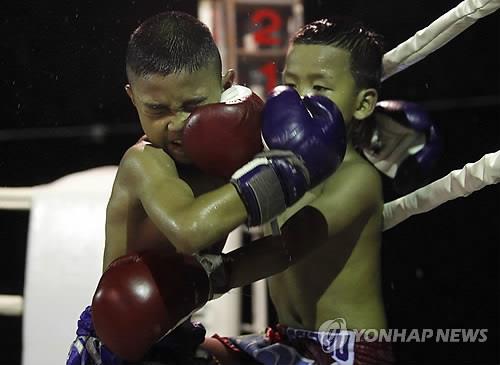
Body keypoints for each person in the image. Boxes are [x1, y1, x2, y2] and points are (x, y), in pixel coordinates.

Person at [67, 11, 346, 365]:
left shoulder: (236, 158)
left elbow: (218, 272)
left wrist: (324, 169)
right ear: (133, 98)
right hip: (115, 347)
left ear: (226, 84)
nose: (177, 123)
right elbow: (190, 231)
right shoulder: (145, 163)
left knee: (308, 235)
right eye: (157, 109)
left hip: (180, 327)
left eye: (193, 105)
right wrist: (283, 173)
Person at [202, 17, 396, 365]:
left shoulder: (359, 178)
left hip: (347, 352)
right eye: (290, 84)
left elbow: (288, 246)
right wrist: (210, 112)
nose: (302, 99)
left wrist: (203, 279)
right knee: (182, 355)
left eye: (321, 89)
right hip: (284, 340)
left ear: (363, 104)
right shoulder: (268, 158)